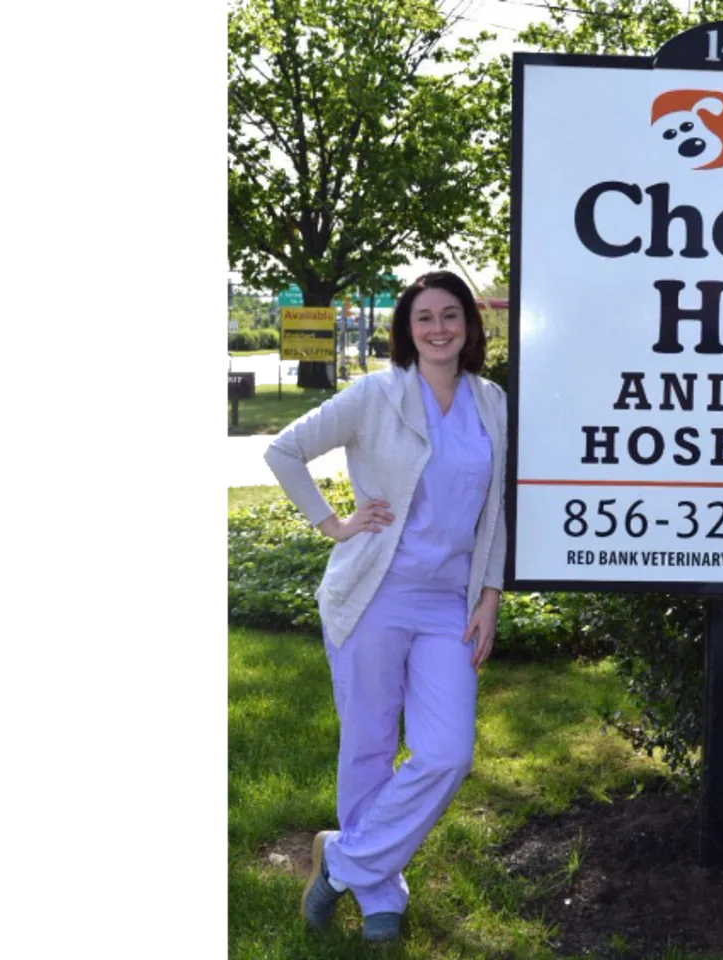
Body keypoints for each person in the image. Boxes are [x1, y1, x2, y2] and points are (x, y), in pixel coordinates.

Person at [263, 270, 508, 943]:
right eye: (423, 317)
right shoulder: (376, 393)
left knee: (447, 752)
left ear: (468, 326)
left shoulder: (491, 403)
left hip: (449, 603)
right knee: (369, 742)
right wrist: (332, 523)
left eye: (450, 316)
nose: (438, 329)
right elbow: (282, 450)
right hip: (375, 592)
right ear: (406, 329)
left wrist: (489, 595)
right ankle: (379, 893)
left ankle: (341, 860)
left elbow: (497, 512)